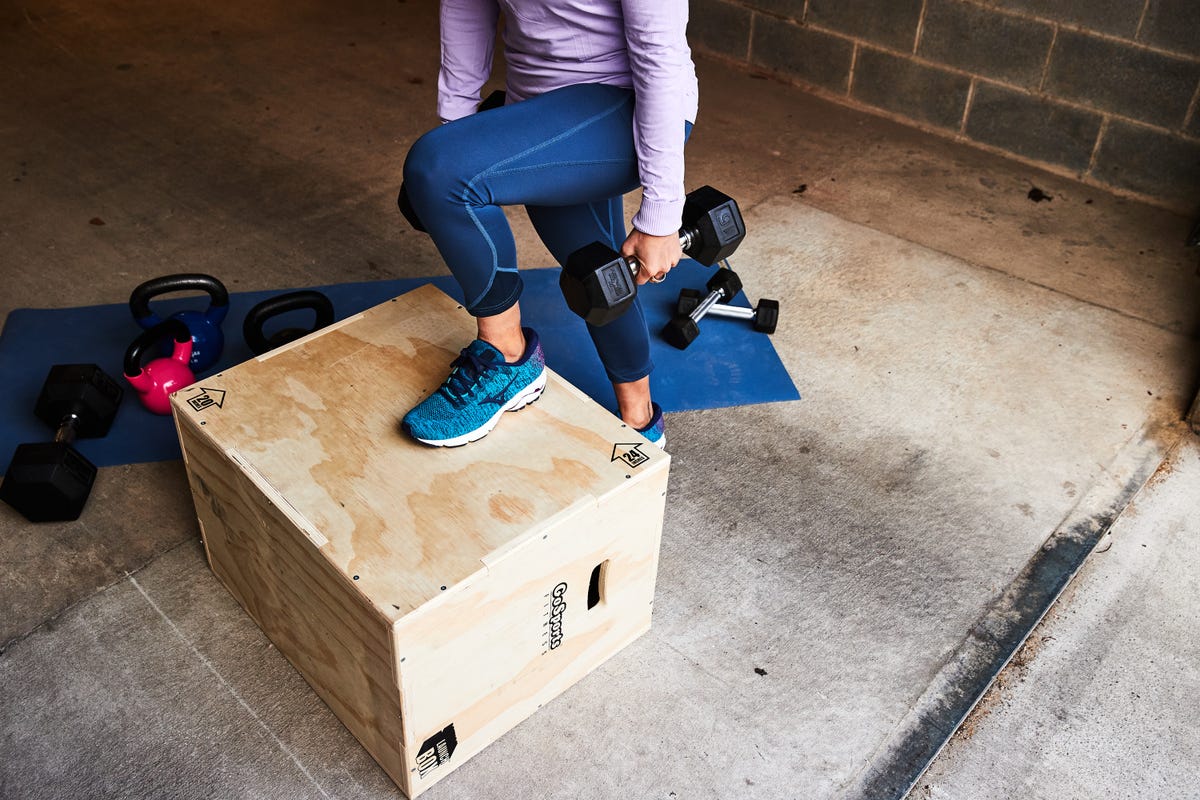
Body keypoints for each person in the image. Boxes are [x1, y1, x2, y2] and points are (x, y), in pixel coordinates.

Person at [400, 0, 698, 448]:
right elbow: (466, 7)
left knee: (437, 171)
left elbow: (660, 59)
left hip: (627, 104)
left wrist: (661, 214)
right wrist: (458, 133)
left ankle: (507, 357)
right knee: (594, 267)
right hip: (540, 108)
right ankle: (641, 421)